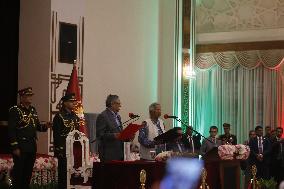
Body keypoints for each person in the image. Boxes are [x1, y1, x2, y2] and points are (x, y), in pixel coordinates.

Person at [8, 87, 50, 189]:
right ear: (21, 97)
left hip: (31, 145)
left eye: (31, 95)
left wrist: (45, 126)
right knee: (19, 171)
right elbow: (11, 130)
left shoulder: (33, 110)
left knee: (27, 172)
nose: (30, 98)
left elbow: (37, 126)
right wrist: (15, 147)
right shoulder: (15, 110)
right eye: (28, 95)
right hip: (21, 146)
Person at [52, 93, 80, 189]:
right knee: (64, 174)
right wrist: (59, 149)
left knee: (73, 173)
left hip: (73, 149)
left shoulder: (75, 116)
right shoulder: (59, 116)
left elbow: (78, 132)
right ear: (65, 103)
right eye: (71, 101)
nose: (74, 103)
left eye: (74, 101)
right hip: (63, 149)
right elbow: (56, 135)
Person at [96, 94, 131, 161]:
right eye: (118, 103)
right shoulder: (103, 116)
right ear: (112, 104)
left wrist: (128, 136)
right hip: (109, 155)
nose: (120, 105)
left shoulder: (118, 116)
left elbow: (120, 134)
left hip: (120, 153)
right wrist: (114, 135)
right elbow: (100, 135)